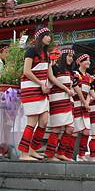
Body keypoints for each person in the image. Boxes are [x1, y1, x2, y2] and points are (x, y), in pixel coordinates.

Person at [17, 27, 71, 160]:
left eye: (50, 36)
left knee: (44, 121)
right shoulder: (31, 51)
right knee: (32, 122)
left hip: (42, 90)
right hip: (31, 89)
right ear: (40, 38)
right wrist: (41, 84)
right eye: (46, 36)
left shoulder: (46, 55)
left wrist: (66, 88)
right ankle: (23, 153)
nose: (49, 38)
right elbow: (27, 71)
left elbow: (51, 77)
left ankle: (32, 149)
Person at [46, 48, 76, 161]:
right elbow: (51, 80)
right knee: (56, 129)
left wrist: (71, 91)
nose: (71, 59)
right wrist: (66, 89)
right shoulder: (55, 68)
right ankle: (50, 155)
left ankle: (60, 153)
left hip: (68, 101)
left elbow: (72, 86)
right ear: (63, 57)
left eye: (72, 57)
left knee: (70, 128)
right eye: (68, 56)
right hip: (57, 100)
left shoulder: (71, 72)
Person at [73, 54, 93, 161]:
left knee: (86, 131)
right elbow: (77, 89)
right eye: (86, 60)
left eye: (89, 60)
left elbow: (90, 92)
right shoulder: (75, 74)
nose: (89, 62)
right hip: (77, 103)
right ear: (80, 63)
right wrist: (84, 102)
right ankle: (70, 154)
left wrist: (87, 103)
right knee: (75, 131)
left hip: (85, 105)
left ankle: (81, 154)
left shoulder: (90, 77)